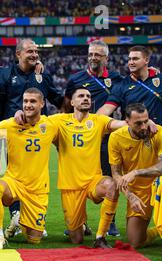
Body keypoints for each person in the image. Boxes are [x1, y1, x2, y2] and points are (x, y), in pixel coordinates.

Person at [0, 39, 62, 234]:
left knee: (29, 177)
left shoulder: (42, 75)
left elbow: (56, 97)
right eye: (30, 51)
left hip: (34, 135)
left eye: (36, 51)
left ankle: (25, 219)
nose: (34, 54)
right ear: (18, 54)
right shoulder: (4, 74)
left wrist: (72, 105)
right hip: (9, 135)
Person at [47, 88, 129, 247]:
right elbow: (38, 122)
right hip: (70, 185)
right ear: (72, 102)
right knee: (76, 239)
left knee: (111, 185)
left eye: (88, 96)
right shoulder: (59, 120)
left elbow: (121, 124)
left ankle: (100, 237)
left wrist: (140, 121)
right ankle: (81, 224)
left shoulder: (99, 120)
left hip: (94, 181)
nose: (85, 98)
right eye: (81, 96)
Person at [0, 88, 58, 249]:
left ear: (42, 104)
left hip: (37, 188)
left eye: (33, 101)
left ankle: (17, 222)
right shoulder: (10, 124)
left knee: (34, 239)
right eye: (25, 101)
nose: (28, 105)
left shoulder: (51, 124)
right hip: (13, 181)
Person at [63, 40, 125, 236]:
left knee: (108, 178)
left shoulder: (118, 79)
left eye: (97, 55)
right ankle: (79, 222)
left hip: (108, 138)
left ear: (106, 58)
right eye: (90, 54)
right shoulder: (76, 79)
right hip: (81, 138)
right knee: (78, 179)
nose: (93, 58)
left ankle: (110, 222)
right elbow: (66, 106)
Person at [108, 103, 162, 260]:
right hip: (138, 191)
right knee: (135, 242)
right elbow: (116, 175)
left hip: (159, 183)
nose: (144, 126)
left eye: (146, 121)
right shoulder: (116, 138)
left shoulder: (159, 132)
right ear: (127, 122)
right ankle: (159, 231)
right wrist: (131, 196)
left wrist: (136, 172)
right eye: (138, 123)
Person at [98, 45, 162, 145]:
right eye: (129, 59)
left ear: (146, 60)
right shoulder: (122, 86)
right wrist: (95, 121)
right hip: (133, 145)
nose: (131, 62)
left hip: (160, 143)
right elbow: (106, 109)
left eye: (135, 59)